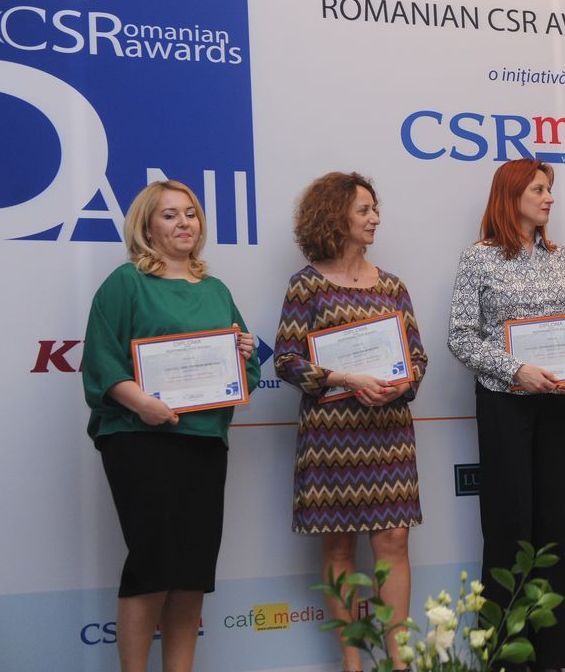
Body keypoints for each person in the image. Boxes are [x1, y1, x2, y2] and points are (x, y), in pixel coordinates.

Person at [82, 180, 260, 672]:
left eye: (191, 213)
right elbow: (101, 360)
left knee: (191, 572)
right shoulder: (126, 283)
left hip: (204, 441)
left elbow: (243, 374)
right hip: (140, 440)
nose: (184, 223)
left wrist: (243, 353)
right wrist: (142, 403)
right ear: (147, 227)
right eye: (170, 215)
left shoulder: (217, 290)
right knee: (153, 566)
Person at [273, 172, 428, 672]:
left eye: (375, 209)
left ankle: (398, 661)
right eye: (364, 210)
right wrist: (342, 377)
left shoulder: (393, 285)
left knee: (394, 541)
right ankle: (352, 662)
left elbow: (417, 357)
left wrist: (403, 382)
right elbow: (286, 361)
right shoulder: (306, 285)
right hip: (331, 437)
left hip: (388, 432)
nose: (375, 218)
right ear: (335, 217)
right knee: (338, 544)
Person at [447, 159, 565, 671]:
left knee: (558, 525)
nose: (549, 198)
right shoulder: (478, 258)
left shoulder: (562, 257)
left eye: (549, 190)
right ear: (511, 196)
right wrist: (516, 370)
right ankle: (507, 659)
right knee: (510, 526)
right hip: (505, 402)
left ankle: (556, 654)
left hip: (559, 403)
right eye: (539, 190)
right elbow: (461, 337)